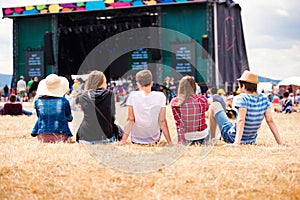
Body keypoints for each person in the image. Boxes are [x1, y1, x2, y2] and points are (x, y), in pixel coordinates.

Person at [208, 70, 283, 145]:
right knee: (230, 123)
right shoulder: (264, 98)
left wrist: (236, 143)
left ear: (243, 85)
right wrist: (280, 143)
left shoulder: (242, 98)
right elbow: (270, 121)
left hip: (233, 137)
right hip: (251, 140)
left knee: (214, 106)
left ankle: (212, 139)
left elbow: (241, 120)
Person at [118, 70, 172, 145]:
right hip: (154, 139)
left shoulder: (132, 96)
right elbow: (162, 121)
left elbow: (131, 120)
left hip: (136, 140)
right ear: (151, 83)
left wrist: (123, 141)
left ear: (138, 84)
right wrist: (170, 142)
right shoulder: (161, 96)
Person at [76, 70, 122, 144]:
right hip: (106, 136)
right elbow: (112, 116)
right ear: (102, 82)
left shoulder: (83, 96)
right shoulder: (110, 94)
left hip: (86, 137)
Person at [31, 74, 73, 143]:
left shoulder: (38, 101)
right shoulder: (64, 101)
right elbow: (70, 118)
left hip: (42, 136)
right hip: (61, 135)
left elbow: (40, 117)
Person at [170, 76, 209, 144]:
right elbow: (206, 108)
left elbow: (179, 124)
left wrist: (181, 141)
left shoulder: (175, 102)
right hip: (202, 137)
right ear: (194, 86)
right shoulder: (202, 100)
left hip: (186, 137)